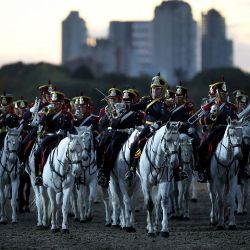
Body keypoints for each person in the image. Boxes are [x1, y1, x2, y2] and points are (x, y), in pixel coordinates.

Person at [125, 73, 171, 181]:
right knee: (136, 143)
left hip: (160, 129)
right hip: (147, 127)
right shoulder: (146, 100)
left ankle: (177, 169)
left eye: (158, 89)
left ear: (162, 91)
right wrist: (126, 106)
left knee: (173, 144)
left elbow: (165, 116)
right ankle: (131, 169)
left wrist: (158, 124)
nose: (155, 91)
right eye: (154, 89)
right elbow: (136, 107)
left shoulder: (164, 103)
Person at [97, 88, 143, 188]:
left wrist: (134, 129)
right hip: (119, 136)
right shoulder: (118, 110)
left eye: (128, 101)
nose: (126, 103)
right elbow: (114, 125)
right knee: (110, 149)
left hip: (134, 136)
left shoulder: (138, 113)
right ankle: (105, 174)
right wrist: (116, 114)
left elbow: (141, 125)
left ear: (133, 101)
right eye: (124, 100)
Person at [197, 81, 238, 182]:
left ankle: (241, 171)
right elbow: (201, 120)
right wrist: (210, 116)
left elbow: (235, 118)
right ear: (218, 94)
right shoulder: (209, 105)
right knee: (202, 147)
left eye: (226, 93)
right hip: (215, 131)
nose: (225, 95)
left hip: (228, 131)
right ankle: (202, 171)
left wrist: (234, 121)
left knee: (240, 146)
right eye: (222, 94)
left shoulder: (231, 106)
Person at [34, 91, 73, 186]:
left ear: (61, 103)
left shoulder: (66, 115)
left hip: (61, 138)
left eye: (56, 103)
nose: (54, 105)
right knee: (37, 152)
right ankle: (39, 173)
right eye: (53, 102)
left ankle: (75, 174)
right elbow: (41, 124)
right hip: (49, 136)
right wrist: (46, 114)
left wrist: (63, 131)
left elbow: (70, 127)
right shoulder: (48, 112)